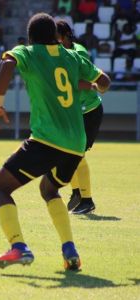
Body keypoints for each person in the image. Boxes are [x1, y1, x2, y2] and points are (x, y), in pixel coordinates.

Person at [0, 13, 110, 271]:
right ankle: (70, 250)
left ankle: (18, 247)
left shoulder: (28, 52)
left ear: (31, 37)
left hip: (46, 140)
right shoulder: (74, 56)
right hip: (76, 144)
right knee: (49, 190)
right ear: (56, 36)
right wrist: (90, 87)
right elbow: (104, 82)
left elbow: (7, 64)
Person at [56, 20, 104, 214]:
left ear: (67, 35)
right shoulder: (58, 53)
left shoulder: (78, 52)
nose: (53, 41)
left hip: (89, 111)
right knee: (67, 154)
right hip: (74, 112)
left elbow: (76, 80)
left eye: (56, 37)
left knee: (76, 154)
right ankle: (77, 193)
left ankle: (86, 199)